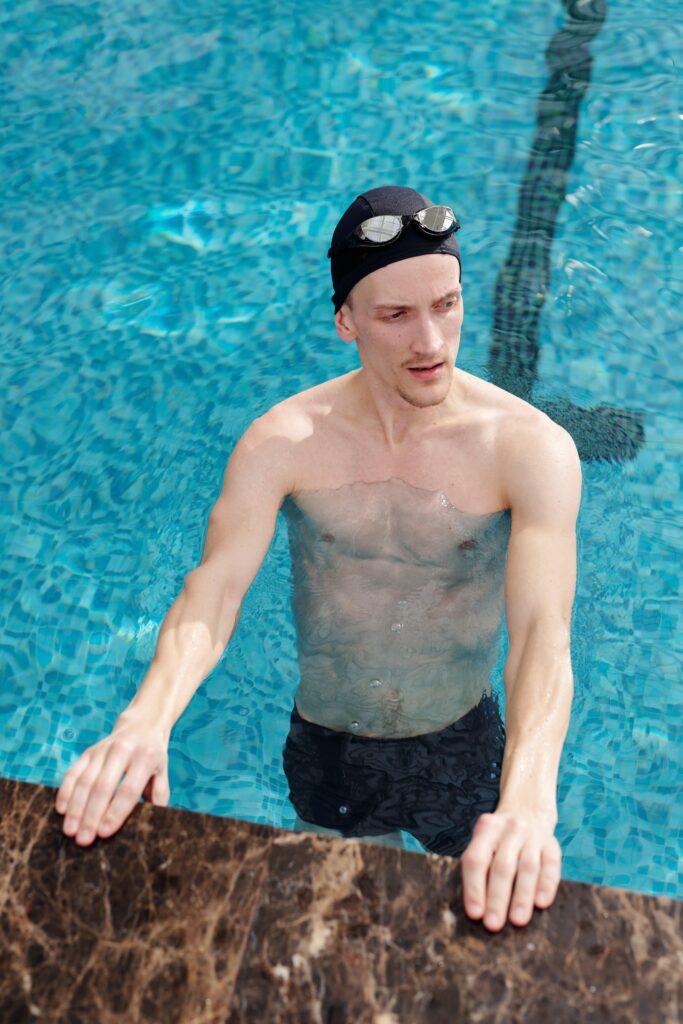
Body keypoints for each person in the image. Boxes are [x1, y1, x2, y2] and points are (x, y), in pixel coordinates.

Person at [55, 185, 581, 932]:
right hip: (329, 740)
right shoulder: (284, 442)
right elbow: (213, 590)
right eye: (395, 316)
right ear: (345, 322)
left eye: (445, 304)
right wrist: (144, 722)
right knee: (343, 934)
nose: (429, 342)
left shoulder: (528, 451)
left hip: (460, 740)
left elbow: (540, 633)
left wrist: (529, 797)